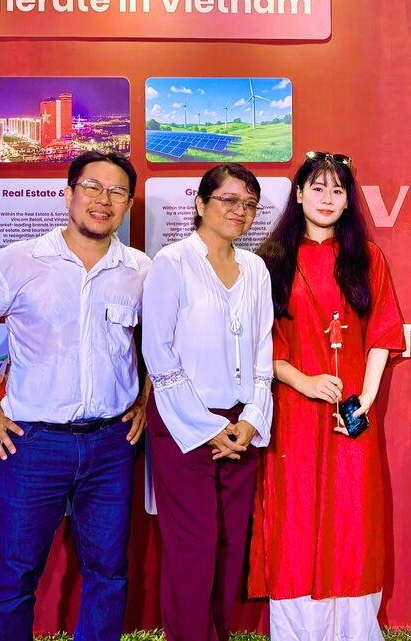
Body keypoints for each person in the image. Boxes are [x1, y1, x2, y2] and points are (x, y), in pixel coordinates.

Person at [0, 150, 151, 641]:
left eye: (117, 192)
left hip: (111, 444)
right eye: (92, 187)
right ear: (69, 194)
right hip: (34, 443)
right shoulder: (19, 261)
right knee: (16, 576)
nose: (103, 200)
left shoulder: (141, 270)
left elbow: (159, 342)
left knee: (109, 572)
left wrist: (144, 399)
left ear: (128, 204)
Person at [249, 151, 405, 640]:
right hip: (294, 411)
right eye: (317, 188)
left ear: (348, 200)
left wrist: (366, 398)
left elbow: (382, 334)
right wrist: (303, 381)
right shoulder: (269, 262)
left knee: (353, 518)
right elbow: (258, 344)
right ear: (298, 194)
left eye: (337, 190)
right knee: (295, 516)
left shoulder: (368, 258)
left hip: (351, 414)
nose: (327, 198)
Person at [141, 164, 274, 641]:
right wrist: (206, 426)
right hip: (184, 424)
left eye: (249, 204)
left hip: (241, 426)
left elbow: (263, 351)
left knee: (230, 544)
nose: (240, 211)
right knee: (193, 545)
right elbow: (159, 354)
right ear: (200, 204)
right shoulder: (172, 262)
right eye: (229, 200)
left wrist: (253, 418)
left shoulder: (256, 269)